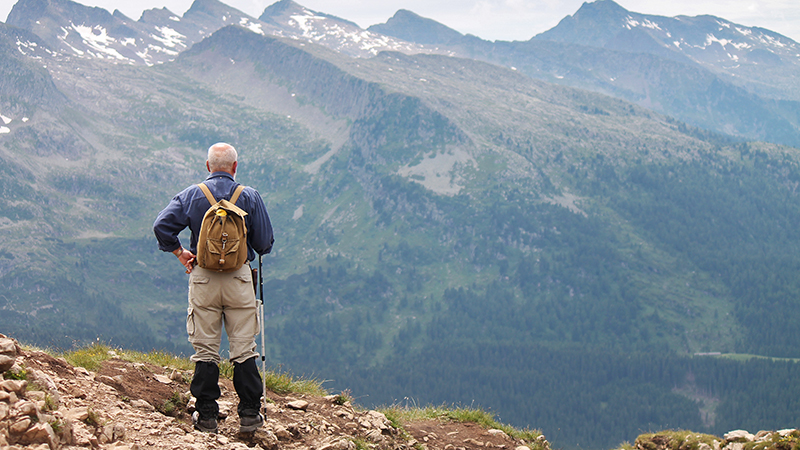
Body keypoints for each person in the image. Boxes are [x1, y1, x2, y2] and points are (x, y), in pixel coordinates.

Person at [153, 142, 274, 433]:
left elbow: (162, 226)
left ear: (208, 166)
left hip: (203, 277)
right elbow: (264, 244)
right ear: (235, 167)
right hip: (239, 280)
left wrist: (180, 252)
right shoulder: (249, 196)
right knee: (244, 347)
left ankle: (206, 415)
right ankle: (249, 414)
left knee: (205, 348)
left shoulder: (192, 195)